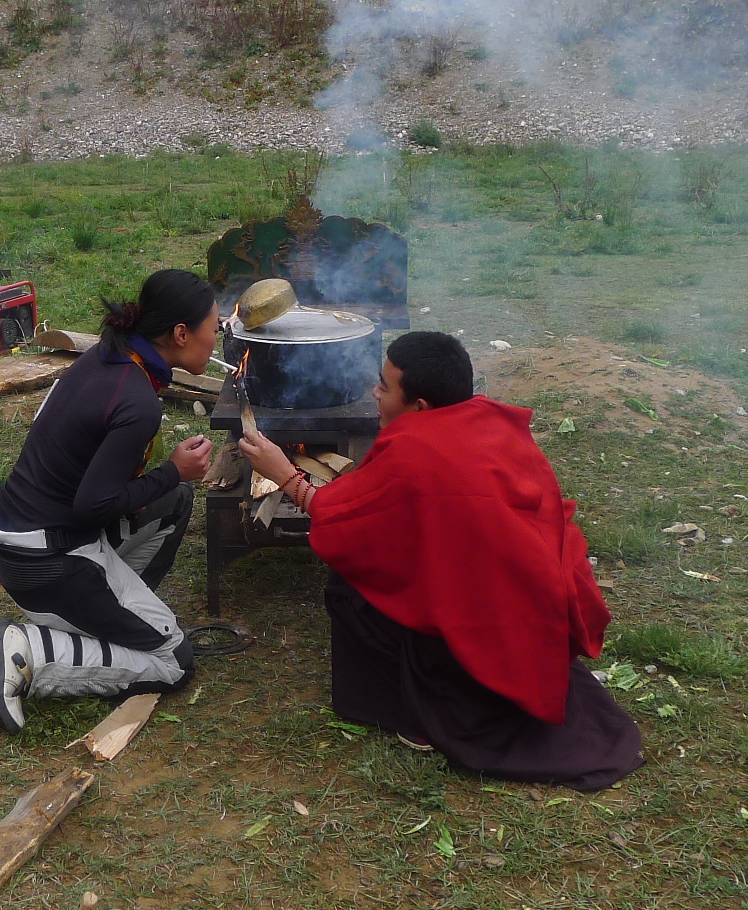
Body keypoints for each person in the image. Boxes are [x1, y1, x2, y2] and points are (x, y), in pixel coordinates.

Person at [236, 330, 642, 791]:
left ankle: (416, 712)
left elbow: (343, 522)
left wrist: (284, 473)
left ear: (421, 407)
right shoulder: (490, 421)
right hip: (533, 610)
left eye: (385, 387)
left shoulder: (416, 451)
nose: (374, 392)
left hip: (483, 632)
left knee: (348, 581)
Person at [0, 270, 218, 732]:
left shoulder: (110, 357)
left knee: (175, 500)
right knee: (176, 662)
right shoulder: (138, 402)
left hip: (15, 539)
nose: (217, 336)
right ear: (181, 333)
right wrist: (171, 470)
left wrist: (171, 481)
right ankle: (28, 652)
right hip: (46, 558)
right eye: (214, 326)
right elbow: (94, 504)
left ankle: (112, 622)